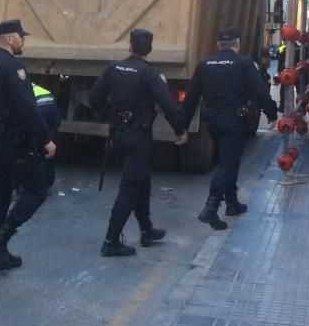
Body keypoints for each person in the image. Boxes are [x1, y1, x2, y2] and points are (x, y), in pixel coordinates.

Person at [89, 29, 189, 257]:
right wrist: (180, 131)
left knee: (142, 180)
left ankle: (146, 230)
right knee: (130, 188)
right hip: (138, 136)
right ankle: (111, 240)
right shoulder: (150, 73)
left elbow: (94, 97)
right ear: (149, 49)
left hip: (119, 133)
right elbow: (168, 104)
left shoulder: (113, 68)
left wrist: (111, 115)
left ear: (130, 46)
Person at [0, 19, 56, 272]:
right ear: (10, 39)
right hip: (12, 141)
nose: (23, 40)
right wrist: (46, 139)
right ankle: (2, 236)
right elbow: (28, 108)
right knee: (36, 190)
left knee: (0, 192)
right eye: (21, 36)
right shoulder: (14, 67)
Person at [182, 27, 278, 230]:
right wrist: (272, 114)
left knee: (229, 160)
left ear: (218, 45)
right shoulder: (244, 64)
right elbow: (260, 91)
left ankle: (232, 203)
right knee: (228, 163)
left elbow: (191, 99)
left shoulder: (204, 64)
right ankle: (211, 207)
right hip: (234, 121)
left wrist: (181, 126)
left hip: (213, 122)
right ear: (237, 44)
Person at [33, 83, 61, 189]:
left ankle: (18, 185)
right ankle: (48, 183)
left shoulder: (9, 85)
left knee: (28, 145)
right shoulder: (27, 82)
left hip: (38, 108)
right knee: (49, 143)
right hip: (52, 107)